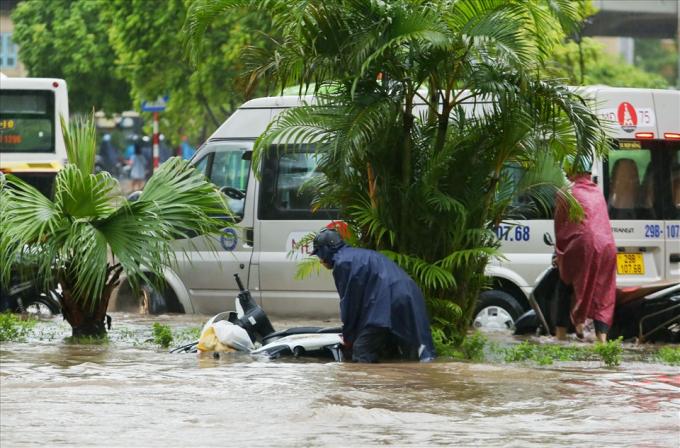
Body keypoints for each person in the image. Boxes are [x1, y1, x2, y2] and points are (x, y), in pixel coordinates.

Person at [311, 227, 436, 363]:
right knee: (416, 353)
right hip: (410, 295)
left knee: (361, 350)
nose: (320, 260)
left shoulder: (342, 263)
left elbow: (350, 304)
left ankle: (366, 383)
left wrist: (348, 336)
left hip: (386, 304)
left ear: (325, 251)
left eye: (319, 254)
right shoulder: (359, 254)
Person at [554, 172, 617, 343]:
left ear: (572, 170)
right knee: (603, 293)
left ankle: (560, 336)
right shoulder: (597, 191)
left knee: (565, 284)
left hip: (583, 245)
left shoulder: (566, 192)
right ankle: (602, 340)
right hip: (607, 247)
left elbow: (560, 227)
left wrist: (558, 254)